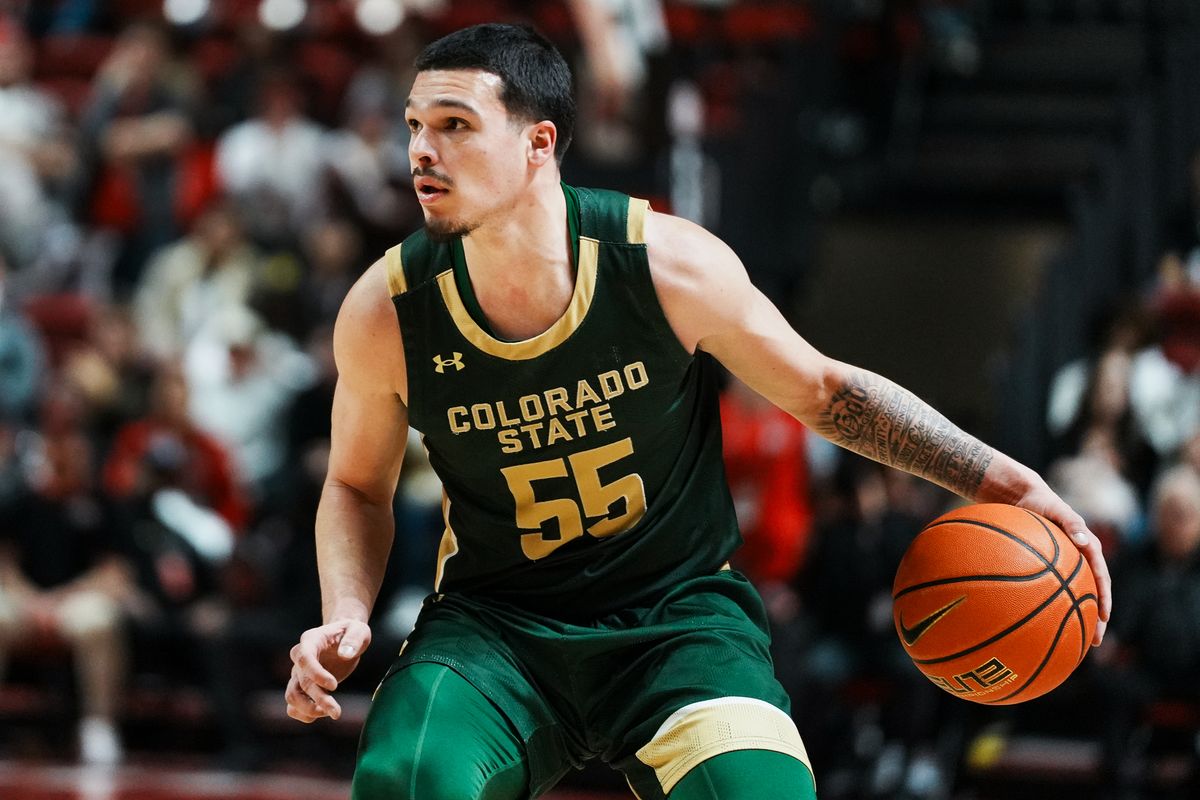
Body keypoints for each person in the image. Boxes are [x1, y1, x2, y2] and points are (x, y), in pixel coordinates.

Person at [284, 23, 1111, 800]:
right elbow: (356, 485)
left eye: (455, 125)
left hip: (676, 621)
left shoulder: (664, 265)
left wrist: (1001, 480)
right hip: (496, 629)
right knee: (405, 778)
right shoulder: (386, 310)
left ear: (538, 144)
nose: (421, 150)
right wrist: (345, 615)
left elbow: (827, 393)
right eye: (415, 125)